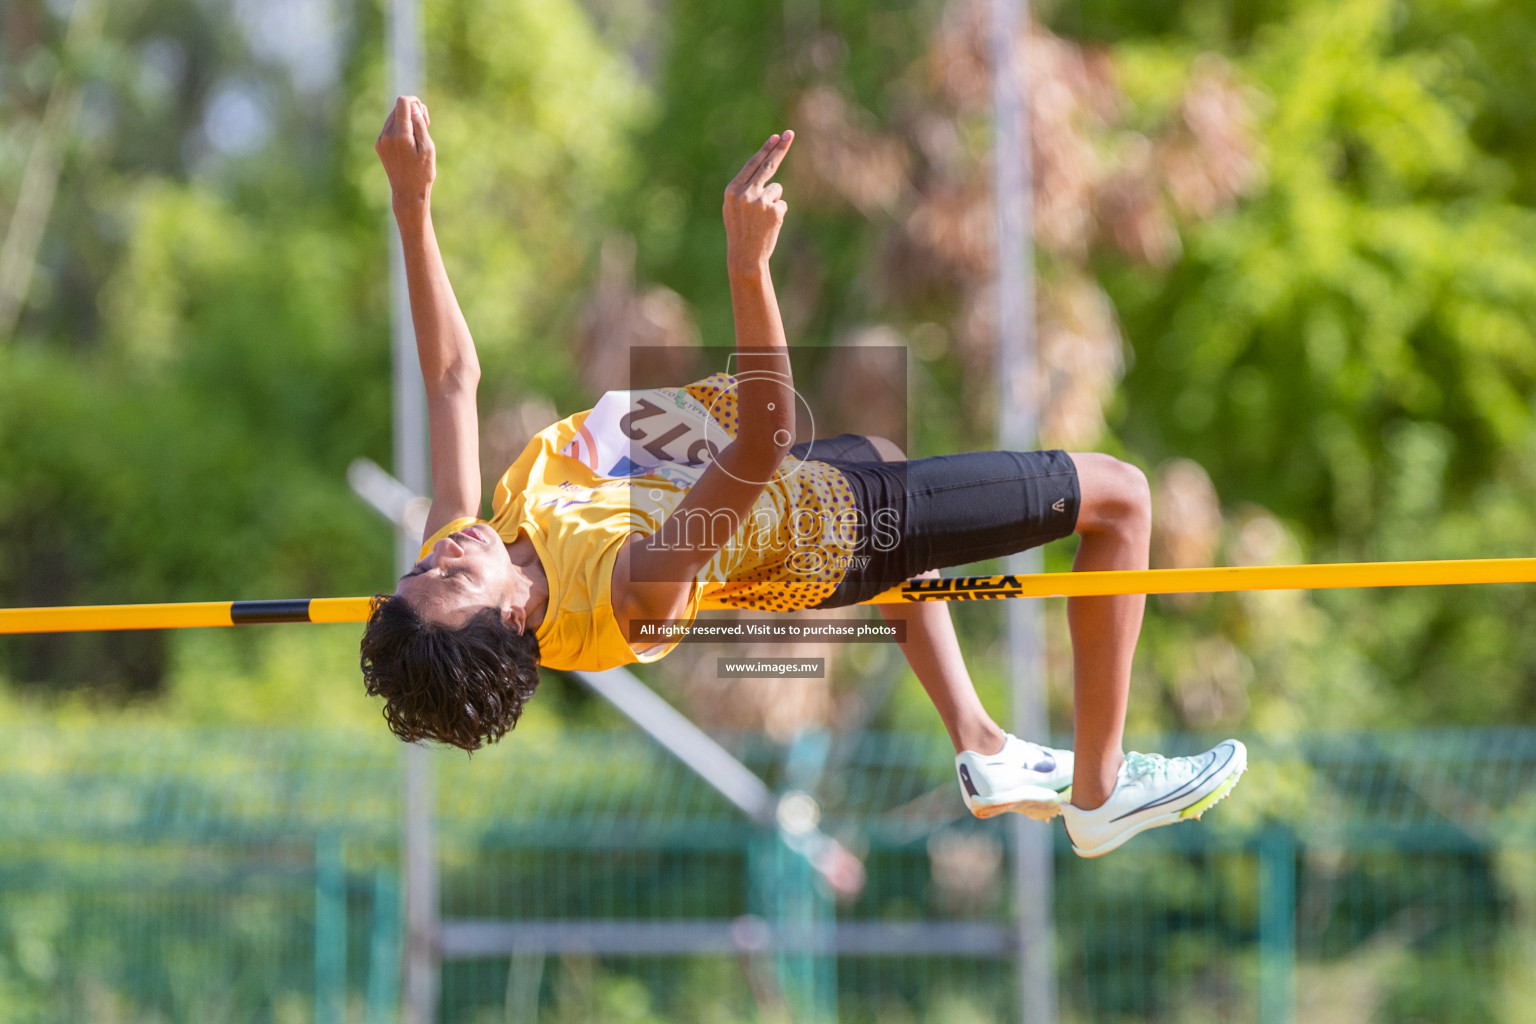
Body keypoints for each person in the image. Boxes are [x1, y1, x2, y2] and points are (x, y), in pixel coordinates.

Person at [361, 96, 1245, 858]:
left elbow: (451, 381)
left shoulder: (478, 544)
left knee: (887, 455)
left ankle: (982, 742)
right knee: (1122, 496)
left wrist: (411, 204)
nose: (444, 552)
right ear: (512, 614)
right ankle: (1098, 793)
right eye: (451, 578)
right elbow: (759, 435)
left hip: (805, 485)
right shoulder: (633, 590)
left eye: (423, 568)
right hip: (841, 525)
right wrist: (750, 265)